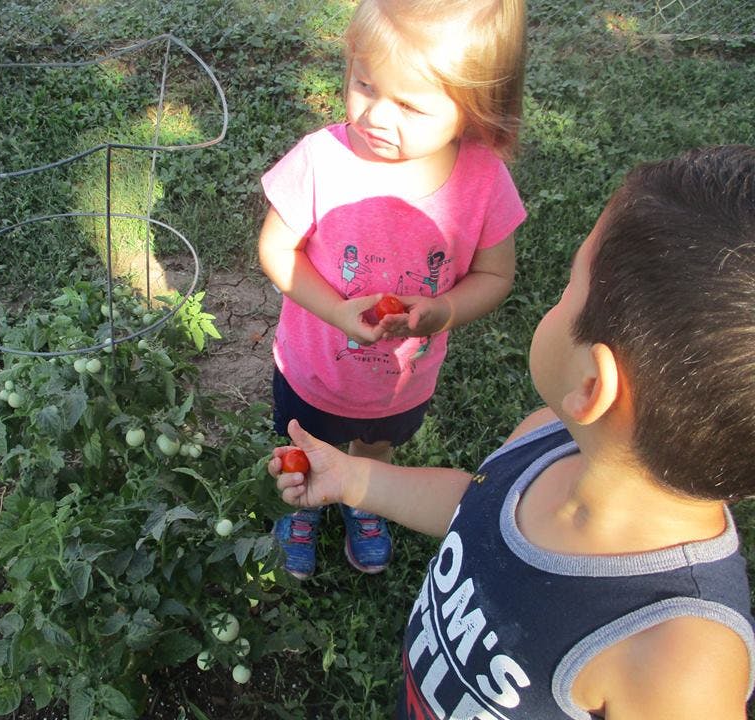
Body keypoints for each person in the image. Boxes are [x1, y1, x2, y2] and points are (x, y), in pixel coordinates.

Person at [270, 145, 755, 719]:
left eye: (569, 287)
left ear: (592, 385)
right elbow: (479, 508)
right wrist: (354, 479)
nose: (557, 299)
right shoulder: (547, 437)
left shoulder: (682, 656)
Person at [258, 0, 528, 579]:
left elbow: (495, 276)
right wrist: (336, 310)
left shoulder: (482, 181)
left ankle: (364, 494)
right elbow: (277, 251)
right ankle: (301, 504)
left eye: (409, 104)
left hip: (402, 384)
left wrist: (444, 309)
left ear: (475, 107)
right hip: (313, 369)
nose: (377, 115)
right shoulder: (321, 160)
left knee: (378, 446)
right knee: (301, 442)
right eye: (364, 84)